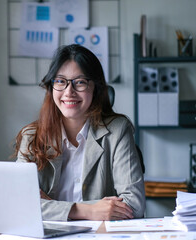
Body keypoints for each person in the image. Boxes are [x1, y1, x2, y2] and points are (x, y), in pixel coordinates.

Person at [13, 44, 145, 221]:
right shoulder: (32, 136)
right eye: (60, 81)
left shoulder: (117, 130)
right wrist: (86, 210)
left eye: (80, 82)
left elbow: (133, 205)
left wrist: (51, 205)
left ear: (95, 88)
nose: (69, 92)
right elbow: (19, 204)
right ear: (51, 87)